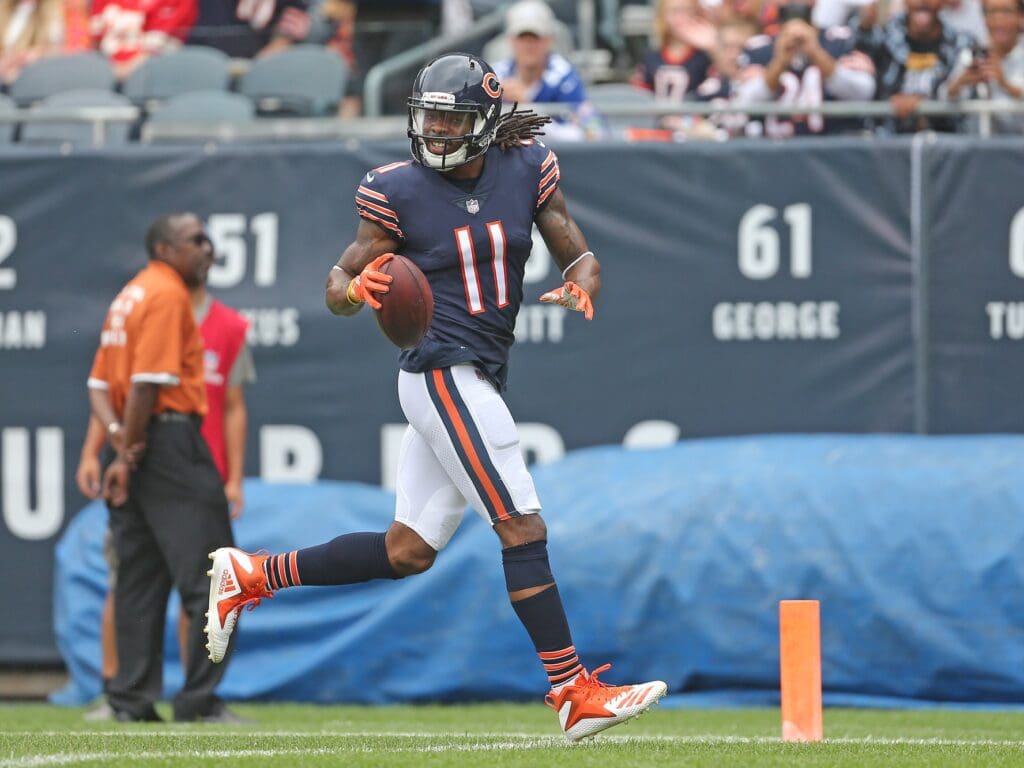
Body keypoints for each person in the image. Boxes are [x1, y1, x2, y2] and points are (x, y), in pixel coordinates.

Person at [204, 52, 667, 742]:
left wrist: (584, 283)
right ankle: (573, 692)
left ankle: (251, 575)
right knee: (521, 522)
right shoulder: (397, 189)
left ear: (485, 123)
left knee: (407, 551)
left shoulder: (529, 167)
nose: (437, 133)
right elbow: (337, 281)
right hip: (441, 369)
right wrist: (353, 294)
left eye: (451, 120)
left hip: (477, 369)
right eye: (430, 119)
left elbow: (577, 251)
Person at [77, 241, 255, 721]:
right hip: (171, 445)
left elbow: (97, 385)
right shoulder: (166, 292)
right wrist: (127, 452)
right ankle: (198, 702)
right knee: (219, 576)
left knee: (138, 579)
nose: (207, 248)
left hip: (141, 446)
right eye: (194, 239)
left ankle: (129, 700)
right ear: (164, 248)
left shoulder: (129, 294)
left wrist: (119, 444)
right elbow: (146, 382)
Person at [733, 0, 877, 136]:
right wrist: (780, 62)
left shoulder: (841, 39)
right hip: (774, 152)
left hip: (833, 150)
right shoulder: (759, 47)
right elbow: (743, 102)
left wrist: (816, 54)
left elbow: (864, 92)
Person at [854, 0, 975, 132]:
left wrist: (923, 103)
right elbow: (857, 55)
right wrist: (864, 27)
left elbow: (968, 98)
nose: (923, 1)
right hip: (885, 142)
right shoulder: (883, 38)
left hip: (944, 143)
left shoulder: (962, 44)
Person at [492, 0, 600, 141]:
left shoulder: (566, 78)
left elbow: (592, 134)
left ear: (549, 40)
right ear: (510, 40)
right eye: (522, 38)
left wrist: (526, 108)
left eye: (535, 38)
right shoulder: (494, 76)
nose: (528, 46)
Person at [945, 0, 1024, 133]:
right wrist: (960, 83)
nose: (998, 19)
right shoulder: (971, 54)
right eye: (991, 12)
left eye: (1006, 11)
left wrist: (1005, 84)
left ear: (1021, 16)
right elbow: (943, 99)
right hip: (977, 147)